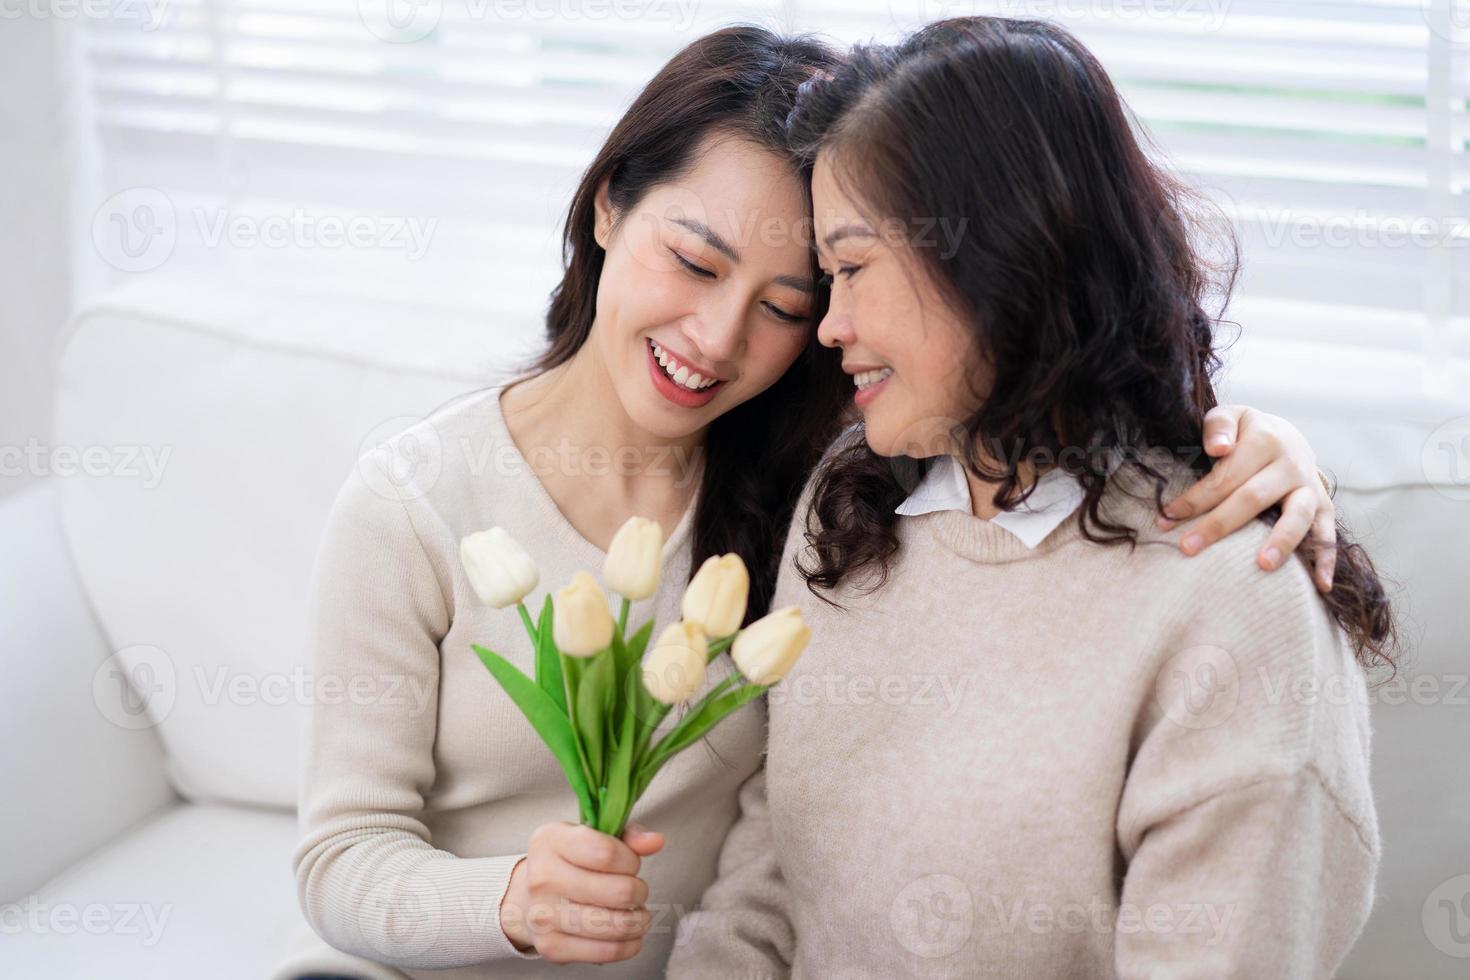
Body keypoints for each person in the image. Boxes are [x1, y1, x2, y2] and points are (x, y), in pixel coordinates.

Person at [291, 24, 1343, 979]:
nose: (714, 337)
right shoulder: (425, 501)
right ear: (609, 202)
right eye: (693, 260)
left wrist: (1259, 449)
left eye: (797, 297)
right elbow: (345, 852)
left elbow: (1052, 411)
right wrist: (510, 898)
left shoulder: (823, 481)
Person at [666, 17, 1393, 979]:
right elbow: (764, 895)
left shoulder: (1237, 603)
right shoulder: (848, 512)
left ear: (998, 255)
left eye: (851, 268)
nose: (829, 325)